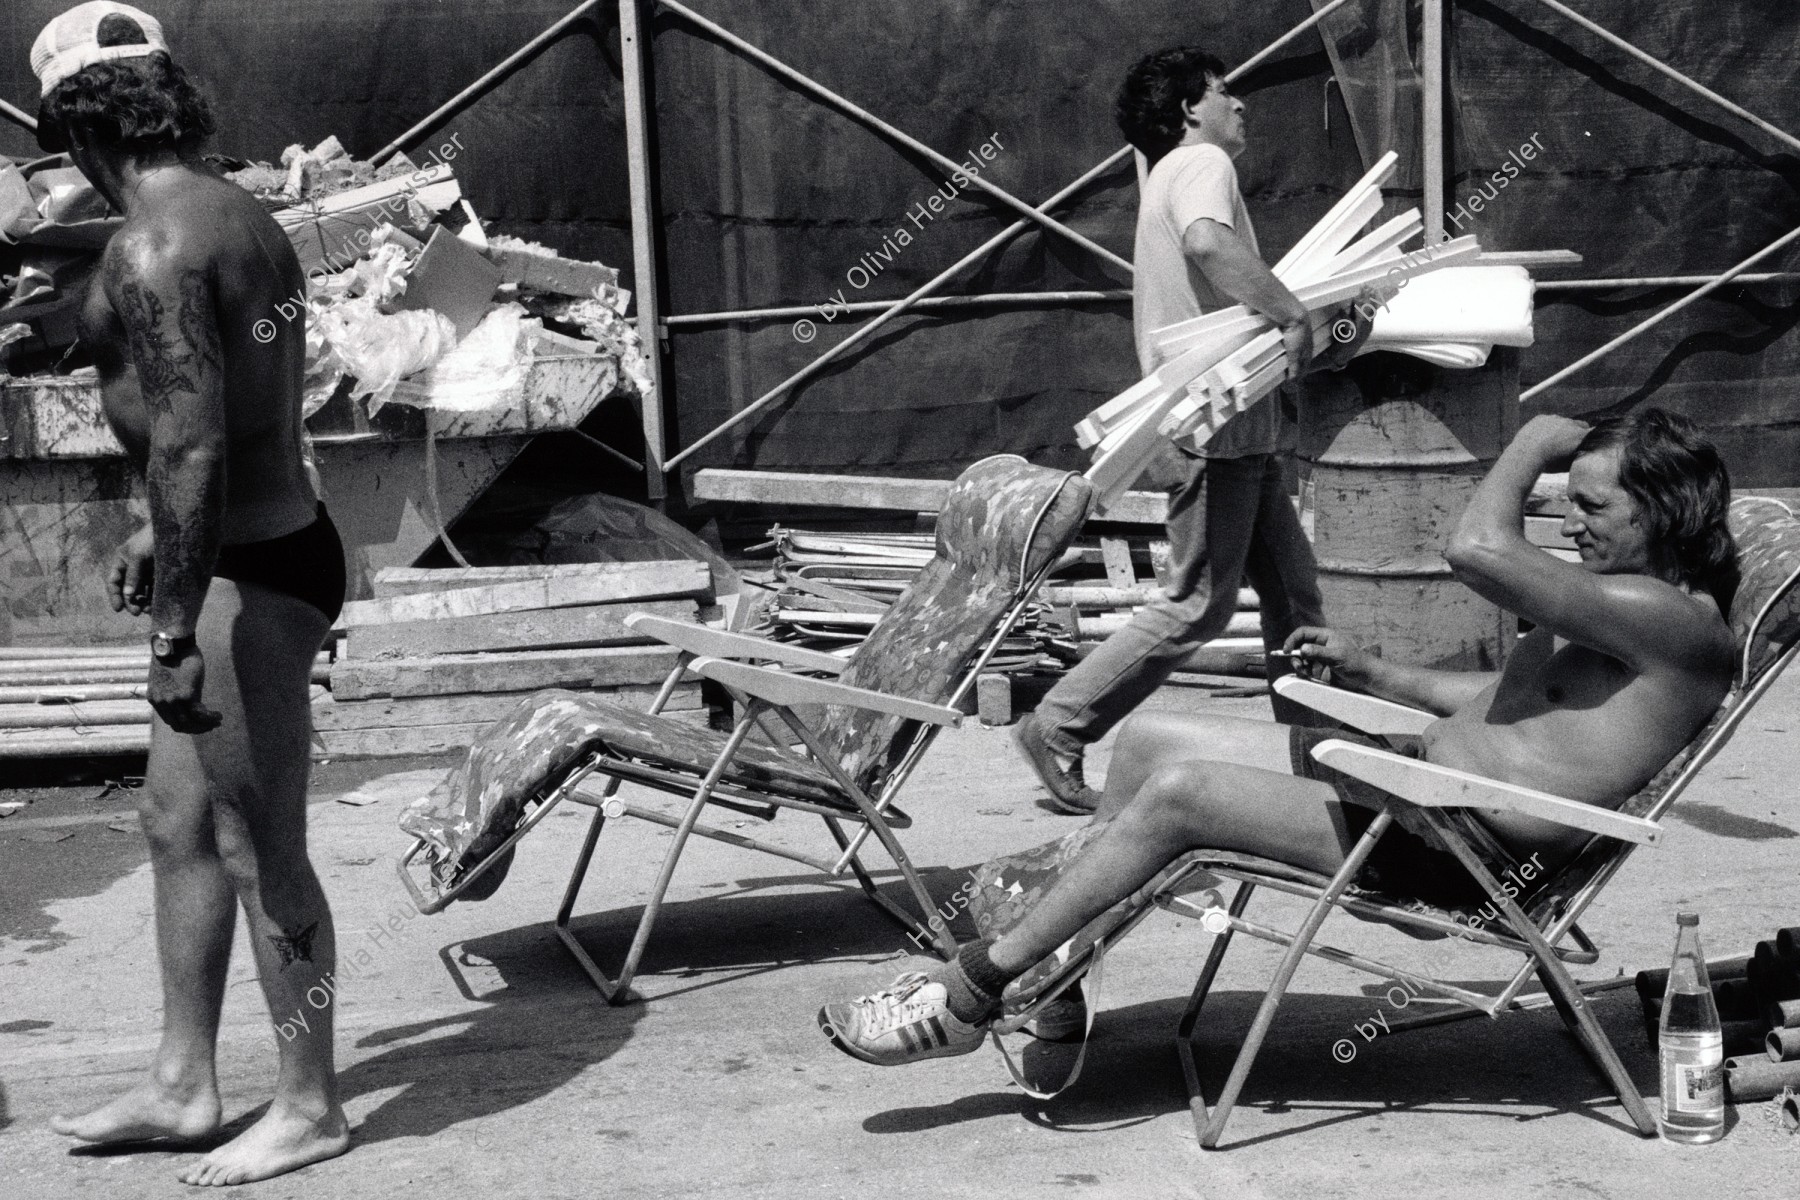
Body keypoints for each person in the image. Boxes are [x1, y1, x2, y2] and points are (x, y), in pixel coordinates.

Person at [820, 408, 1738, 1065]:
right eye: (1566, 499)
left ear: (1663, 510)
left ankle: (976, 986)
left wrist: (1534, 440)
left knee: (1184, 798)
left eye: (1591, 507)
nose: (1570, 522)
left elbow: (1476, 550)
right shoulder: (1629, 612)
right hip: (1415, 800)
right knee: (1149, 743)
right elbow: (1521, 692)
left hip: (1461, 852)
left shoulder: (1673, 624)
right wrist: (1379, 674)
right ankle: (1056, 973)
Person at [36, 4, 351, 1185]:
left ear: (75, 127)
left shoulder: (150, 246)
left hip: (245, 579)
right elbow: (230, 414)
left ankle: (311, 1101)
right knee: (176, 825)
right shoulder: (234, 213)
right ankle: (182, 1083)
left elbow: (195, 449)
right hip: (259, 543)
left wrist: (172, 621)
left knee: (262, 846)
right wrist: (152, 529)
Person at [1014, 46, 1367, 814]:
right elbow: (1209, 242)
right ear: (1187, 112)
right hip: (1215, 419)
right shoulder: (1200, 162)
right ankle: (1060, 723)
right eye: (1223, 92)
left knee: (1294, 595)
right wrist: (1290, 311)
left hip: (1234, 417)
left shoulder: (1166, 174)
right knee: (1198, 602)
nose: (1239, 104)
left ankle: (1318, 753)